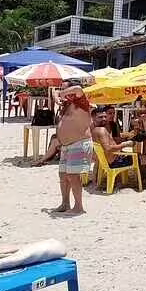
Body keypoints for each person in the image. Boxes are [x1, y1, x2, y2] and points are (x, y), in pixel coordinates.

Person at [50, 79, 92, 215]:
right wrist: (57, 95)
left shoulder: (81, 102)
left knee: (73, 175)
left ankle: (79, 207)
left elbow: (79, 89)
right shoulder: (67, 104)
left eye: (66, 89)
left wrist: (61, 94)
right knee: (63, 175)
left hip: (79, 143)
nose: (63, 92)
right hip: (66, 145)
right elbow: (54, 91)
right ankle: (65, 203)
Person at [92, 106, 146, 188]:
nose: (104, 119)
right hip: (116, 161)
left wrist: (128, 137)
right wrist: (126, 144)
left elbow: (114, 140)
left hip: (112, 159)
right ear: (93, 118)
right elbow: (108, 148)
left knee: (139, 155)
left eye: (105, 116)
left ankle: (144, 178)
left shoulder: (95, 130)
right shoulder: (102, 130)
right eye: (100, 117)